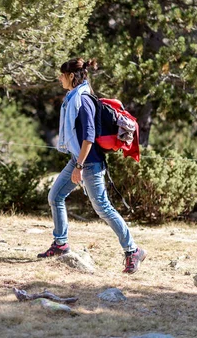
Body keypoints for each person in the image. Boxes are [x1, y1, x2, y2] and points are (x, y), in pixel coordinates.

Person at [37, 57, 147, 274]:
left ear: (70, 76)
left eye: (62, 75)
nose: (59, 78)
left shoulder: (84, 99)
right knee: (55, 197)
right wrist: (76, 163)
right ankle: (60, 244)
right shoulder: (73, 98)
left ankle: (133, 250)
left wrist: (79, 166)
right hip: (78, 160)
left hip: (89, 162)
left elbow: (88, 137)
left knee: (103, 208)